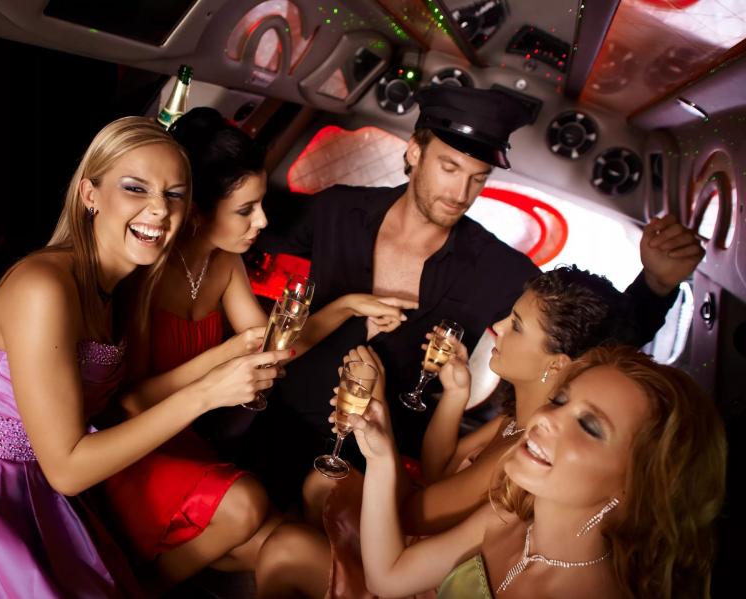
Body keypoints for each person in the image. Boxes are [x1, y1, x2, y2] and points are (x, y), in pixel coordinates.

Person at [250, 84, 705, 500]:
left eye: (478, 177)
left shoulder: (495, 267)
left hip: (369, 461)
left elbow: (598, 341)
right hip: (271, 417)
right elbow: (243, 233)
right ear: (414, 152)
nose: (461, 192)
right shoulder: (338, 210)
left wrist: (657, 284)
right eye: (449, 168)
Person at [0, 116, 289, 598]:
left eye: (174, 194)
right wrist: (207, 393)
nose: (159, 209)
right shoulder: (44, 287)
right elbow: (67, 469)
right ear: (90, 194)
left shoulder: (118, 290)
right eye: (135, 188)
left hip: (46, 494)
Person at [101, 107, 416, 586]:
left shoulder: (225, 263)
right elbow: (132, 403)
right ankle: (131, 586)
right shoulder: (148, 272)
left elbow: (275, 346)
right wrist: (225, 356)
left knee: (288, 543)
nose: (263, 220)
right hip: (134, 448)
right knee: (247, 505)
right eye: (246, 210)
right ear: (199, 210)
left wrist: (348, 305)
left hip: (185, 441)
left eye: (261, 204)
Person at [255, 266, 651, 598]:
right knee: (321, 484)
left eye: (515, 325)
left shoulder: (527, 452)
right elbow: (438, 470)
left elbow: (412, 515)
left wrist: (382, 420)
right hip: (417, 551)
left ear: (556, 364)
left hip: (418, 564)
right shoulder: (514, 421)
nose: (497, 328)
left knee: (285, 546)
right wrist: (455, 394)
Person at [355, 345, 726, 598]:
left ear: (636, 483)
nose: (545, 417)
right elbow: (388, 577)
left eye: (590, 426)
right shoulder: (508, 517)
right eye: (560, 400)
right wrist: (380, 459)